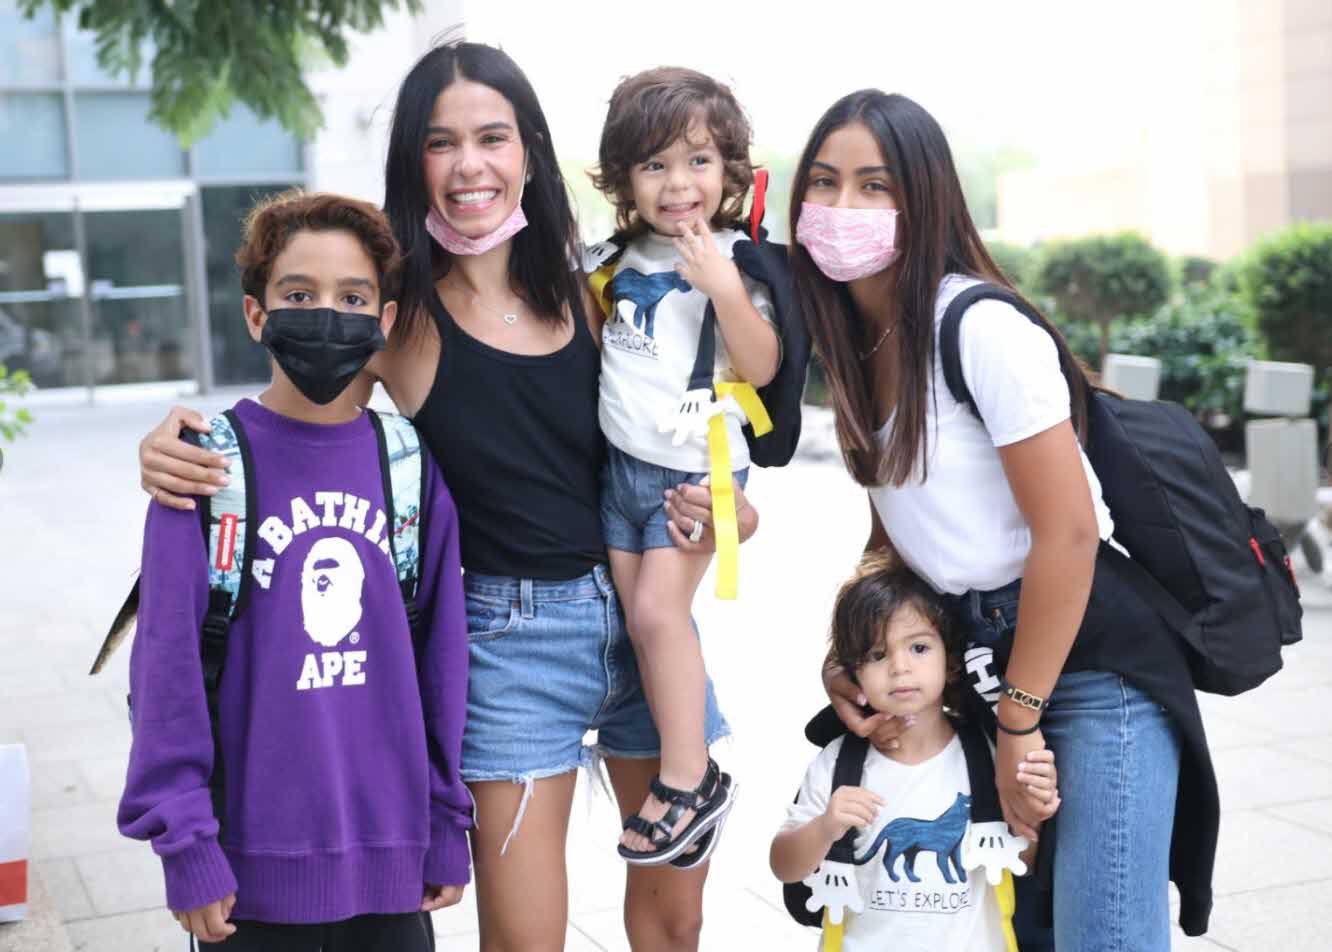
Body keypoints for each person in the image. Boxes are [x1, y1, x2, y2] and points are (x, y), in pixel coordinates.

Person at [133, 42, 756, 952]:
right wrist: (175, 446)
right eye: (440, 142)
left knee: (676, 921)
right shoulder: (399, 321)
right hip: (509, 646)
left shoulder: (594, 291)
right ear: (413, 163)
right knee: (526, 939)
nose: (470, 165)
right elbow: (294, 424)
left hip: (645, 622)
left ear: (528, 151)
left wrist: (731, 512)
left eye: (491, 137)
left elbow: (681, 439)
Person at [789, 90, 1218, 950]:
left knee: (1104, 932)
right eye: (825, 182)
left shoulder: (978, 327)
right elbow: (900, 536)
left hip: (1091, 667)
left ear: (926, 199)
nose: (843, 207)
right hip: (978, 663)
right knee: (1022, 929)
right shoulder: (861, 346)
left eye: (875, 185)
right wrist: (858, 652)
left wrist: (1021, 721)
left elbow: (1069, 534)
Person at [117, 190, 470, 950]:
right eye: (299, 295)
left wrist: (446, 822)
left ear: (383, 320)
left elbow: (442, 660)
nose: (326, 315)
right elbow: (165, 670)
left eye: (353, 298)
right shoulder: (204, 468)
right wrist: (186, 846)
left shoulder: (407, 464)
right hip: (246, 877)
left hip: (391, 864)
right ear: (256, 315)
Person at [587, 66, 780, 864]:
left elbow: (762, 366)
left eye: (698, 160)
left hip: (695, 478)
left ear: (729, 169)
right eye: (654, 164)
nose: (677, 183)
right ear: (624, 178)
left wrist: (725, 290)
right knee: (643, 625)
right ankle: (687, 768)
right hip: (622, 473)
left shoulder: (738, 259)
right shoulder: (615, 255)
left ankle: (688, 778)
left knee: (661, 616)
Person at [771, 557, 1059, 951]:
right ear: (852, 674)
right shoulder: (839, 762)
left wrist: (1035, 812)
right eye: (877, 655)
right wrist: (824, 827)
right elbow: (784, 866)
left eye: (919, 648)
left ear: (950, 662)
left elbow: (1024, 863)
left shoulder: (986, 757)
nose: (900, 667)